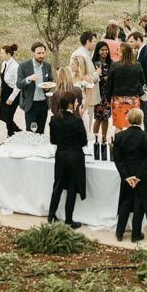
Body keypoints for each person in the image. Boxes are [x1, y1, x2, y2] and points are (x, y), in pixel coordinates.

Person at [113, 108, 147, 243]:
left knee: (125, 203)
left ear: (128, 119)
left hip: (127, 176)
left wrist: (127, 176)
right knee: (139, 204)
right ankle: (136, 234)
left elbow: (117, 159)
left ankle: (119, 233)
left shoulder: (120, 136)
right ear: (141, 120)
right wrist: (137, 177)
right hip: (142, 177)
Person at [47, 91, 87, 228]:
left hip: (61, 155)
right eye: (75, 101)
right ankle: (69, 220)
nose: (77, 103)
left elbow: (53, 140)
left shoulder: (54, 119)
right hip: (74, 157)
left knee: (57, 185)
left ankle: (51, 216)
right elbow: (83, 142)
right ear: (70, 104)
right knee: (71, 188)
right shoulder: (77, 121)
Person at [107, 42, 145, 132]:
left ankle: (118, 144)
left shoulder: (114, 66)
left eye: (119, 51)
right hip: (133, 99)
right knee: (134, 124)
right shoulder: (137, 65)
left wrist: (108, 99)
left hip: (118, 100)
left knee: (118, 126)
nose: (117, 53)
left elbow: (109, 84)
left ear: (123, 53)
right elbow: (142, 81)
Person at [17, 42, 53, 134]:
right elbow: (18, 84)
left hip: (43, 105)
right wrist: (28, 79)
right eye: (39, 53)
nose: (41, 55)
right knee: (30, 132)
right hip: (31, 105)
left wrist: (47, 88)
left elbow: (50, 81)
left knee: (41, 132)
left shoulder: (47, 66)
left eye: (43, 53)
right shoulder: (24, 66)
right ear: (33, 53)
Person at [128, 32, 147, 133]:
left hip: (145, 91)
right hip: (142, 90)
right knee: (146, 115)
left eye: (131, 41)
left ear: (138, 40)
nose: (130, 44)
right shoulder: (140, 51)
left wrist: (144, 90)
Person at [0, 44, 21, 136]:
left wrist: (11, 98)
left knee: (8, 116)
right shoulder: (4, 63)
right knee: (4, 116)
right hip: (5, 92)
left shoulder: (15, 67)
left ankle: (10, 135)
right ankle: (16, 130)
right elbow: (1, 78)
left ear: (8, 54)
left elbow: (18, 85)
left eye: (2, 53)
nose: (0, 55)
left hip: (13, 94)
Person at [92, 41, 112, 141]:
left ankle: (104, 138)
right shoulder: (95, 64)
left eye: (106, 50)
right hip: (98, 94)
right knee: (98, 118)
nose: (105, 52)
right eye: (102, 50)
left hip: (107, 94)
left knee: (106, 117)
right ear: (98, 51)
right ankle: (94, 139)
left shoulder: (110, 63)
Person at [71, 55, 95, 135]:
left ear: (79, 65)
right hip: (70, 107)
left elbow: (88, 97)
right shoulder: (72, 76)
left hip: (80, 106)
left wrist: (82, 111)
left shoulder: (86, 79)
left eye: (73, 64)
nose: (71, 66)